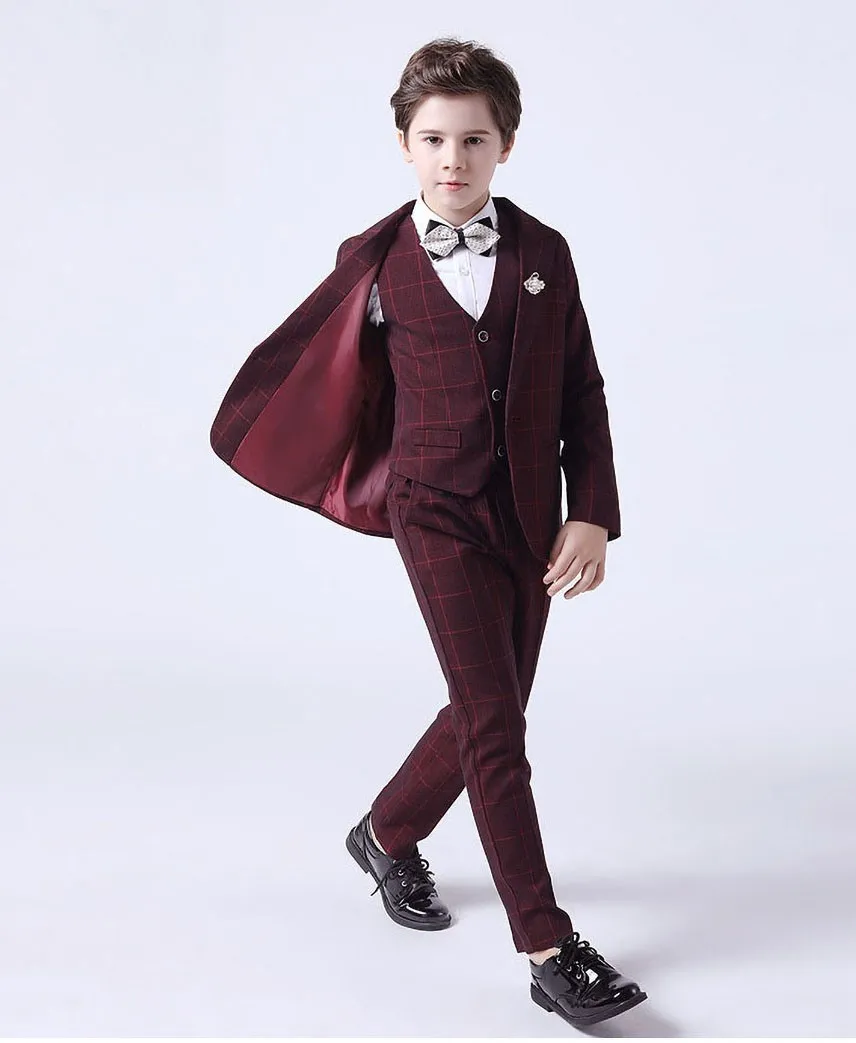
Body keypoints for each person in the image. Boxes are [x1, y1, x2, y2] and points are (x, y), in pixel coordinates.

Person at [209, 36, 647, 1028]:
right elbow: (329, 377)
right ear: (404, 145)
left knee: (486, 707)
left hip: (530, 514)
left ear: (506, 146)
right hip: (432, 508)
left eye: (474, 140)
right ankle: (548, 947)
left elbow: (581, 387)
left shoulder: (545, 254)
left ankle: (386, 830)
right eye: (435, 139)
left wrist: (591, 509)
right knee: (495, 724)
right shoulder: (374, 264)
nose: (454, 159)